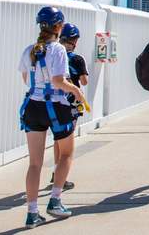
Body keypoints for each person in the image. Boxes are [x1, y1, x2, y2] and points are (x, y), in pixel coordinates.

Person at [18, 7, 90, 229]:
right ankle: (55, 201)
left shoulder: (30, 50)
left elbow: (25, 79)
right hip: (56, 107)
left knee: (34, 163)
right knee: (66, 153)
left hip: (33, 106)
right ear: (59, 26)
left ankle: (32, 213)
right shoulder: (57, 50)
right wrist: (77, 92)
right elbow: (59, 80)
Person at [48, 23, 88, 192]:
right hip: (71, 102)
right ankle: (61, 177)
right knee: (67, 142)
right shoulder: (77, 59)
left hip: (53, 101)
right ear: (75, 41)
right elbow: (84, 81)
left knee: (57, 139)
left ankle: (55, 171)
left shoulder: (53, 54)